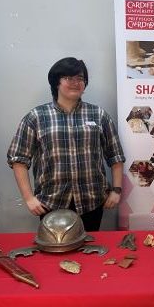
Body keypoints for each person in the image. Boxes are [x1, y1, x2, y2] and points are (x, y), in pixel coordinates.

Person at [7, 57, 125, 232]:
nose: (76, 83)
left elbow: (115, 155)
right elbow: (18, 160)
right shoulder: (37, 117)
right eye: (69, 78)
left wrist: (116, 190)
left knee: (90, 251)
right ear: (56, 82)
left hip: (92, 201)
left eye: (80, 78)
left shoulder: (99, 115)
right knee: (56, 252)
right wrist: (29, 198)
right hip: (51, 202)